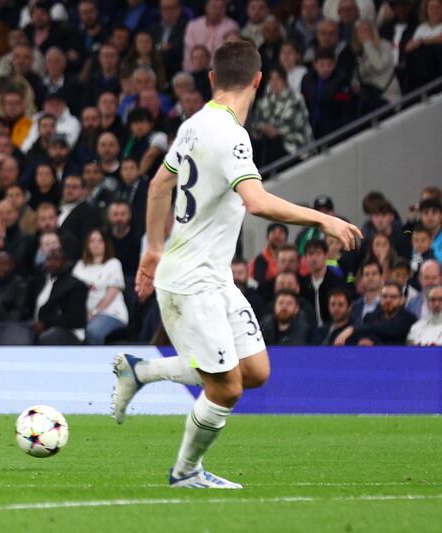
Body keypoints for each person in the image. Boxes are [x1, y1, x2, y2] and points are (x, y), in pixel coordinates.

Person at [111, 41, 361, 488]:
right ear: (259, 80)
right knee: (226, 388)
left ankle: (141, 370)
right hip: (191, 282)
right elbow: (257, 201)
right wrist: (324, 218)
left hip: (213, 276)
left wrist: (152, 246)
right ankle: (186, 472)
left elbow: (157, 186)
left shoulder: (192, 126)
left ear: (211, 79)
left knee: (255, 371)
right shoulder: (229, 133)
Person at [72, 230, 129, 345]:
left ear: (106, 244)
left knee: (93, 332)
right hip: (83, 315)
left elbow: (112, 293)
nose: (95, 244)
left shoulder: (113, 263)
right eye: (92, 241)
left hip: (110, 313)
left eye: (100, 241)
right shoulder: (80, 266)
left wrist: (94, 312)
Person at [334, 281, 417, 345]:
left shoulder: (408, 319)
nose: (388, 300)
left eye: (393, 297)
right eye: (384, 296)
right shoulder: (370, 317)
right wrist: (362, 341)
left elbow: (388, 328)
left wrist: (353, 329)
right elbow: (364, 335)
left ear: (402, 300)